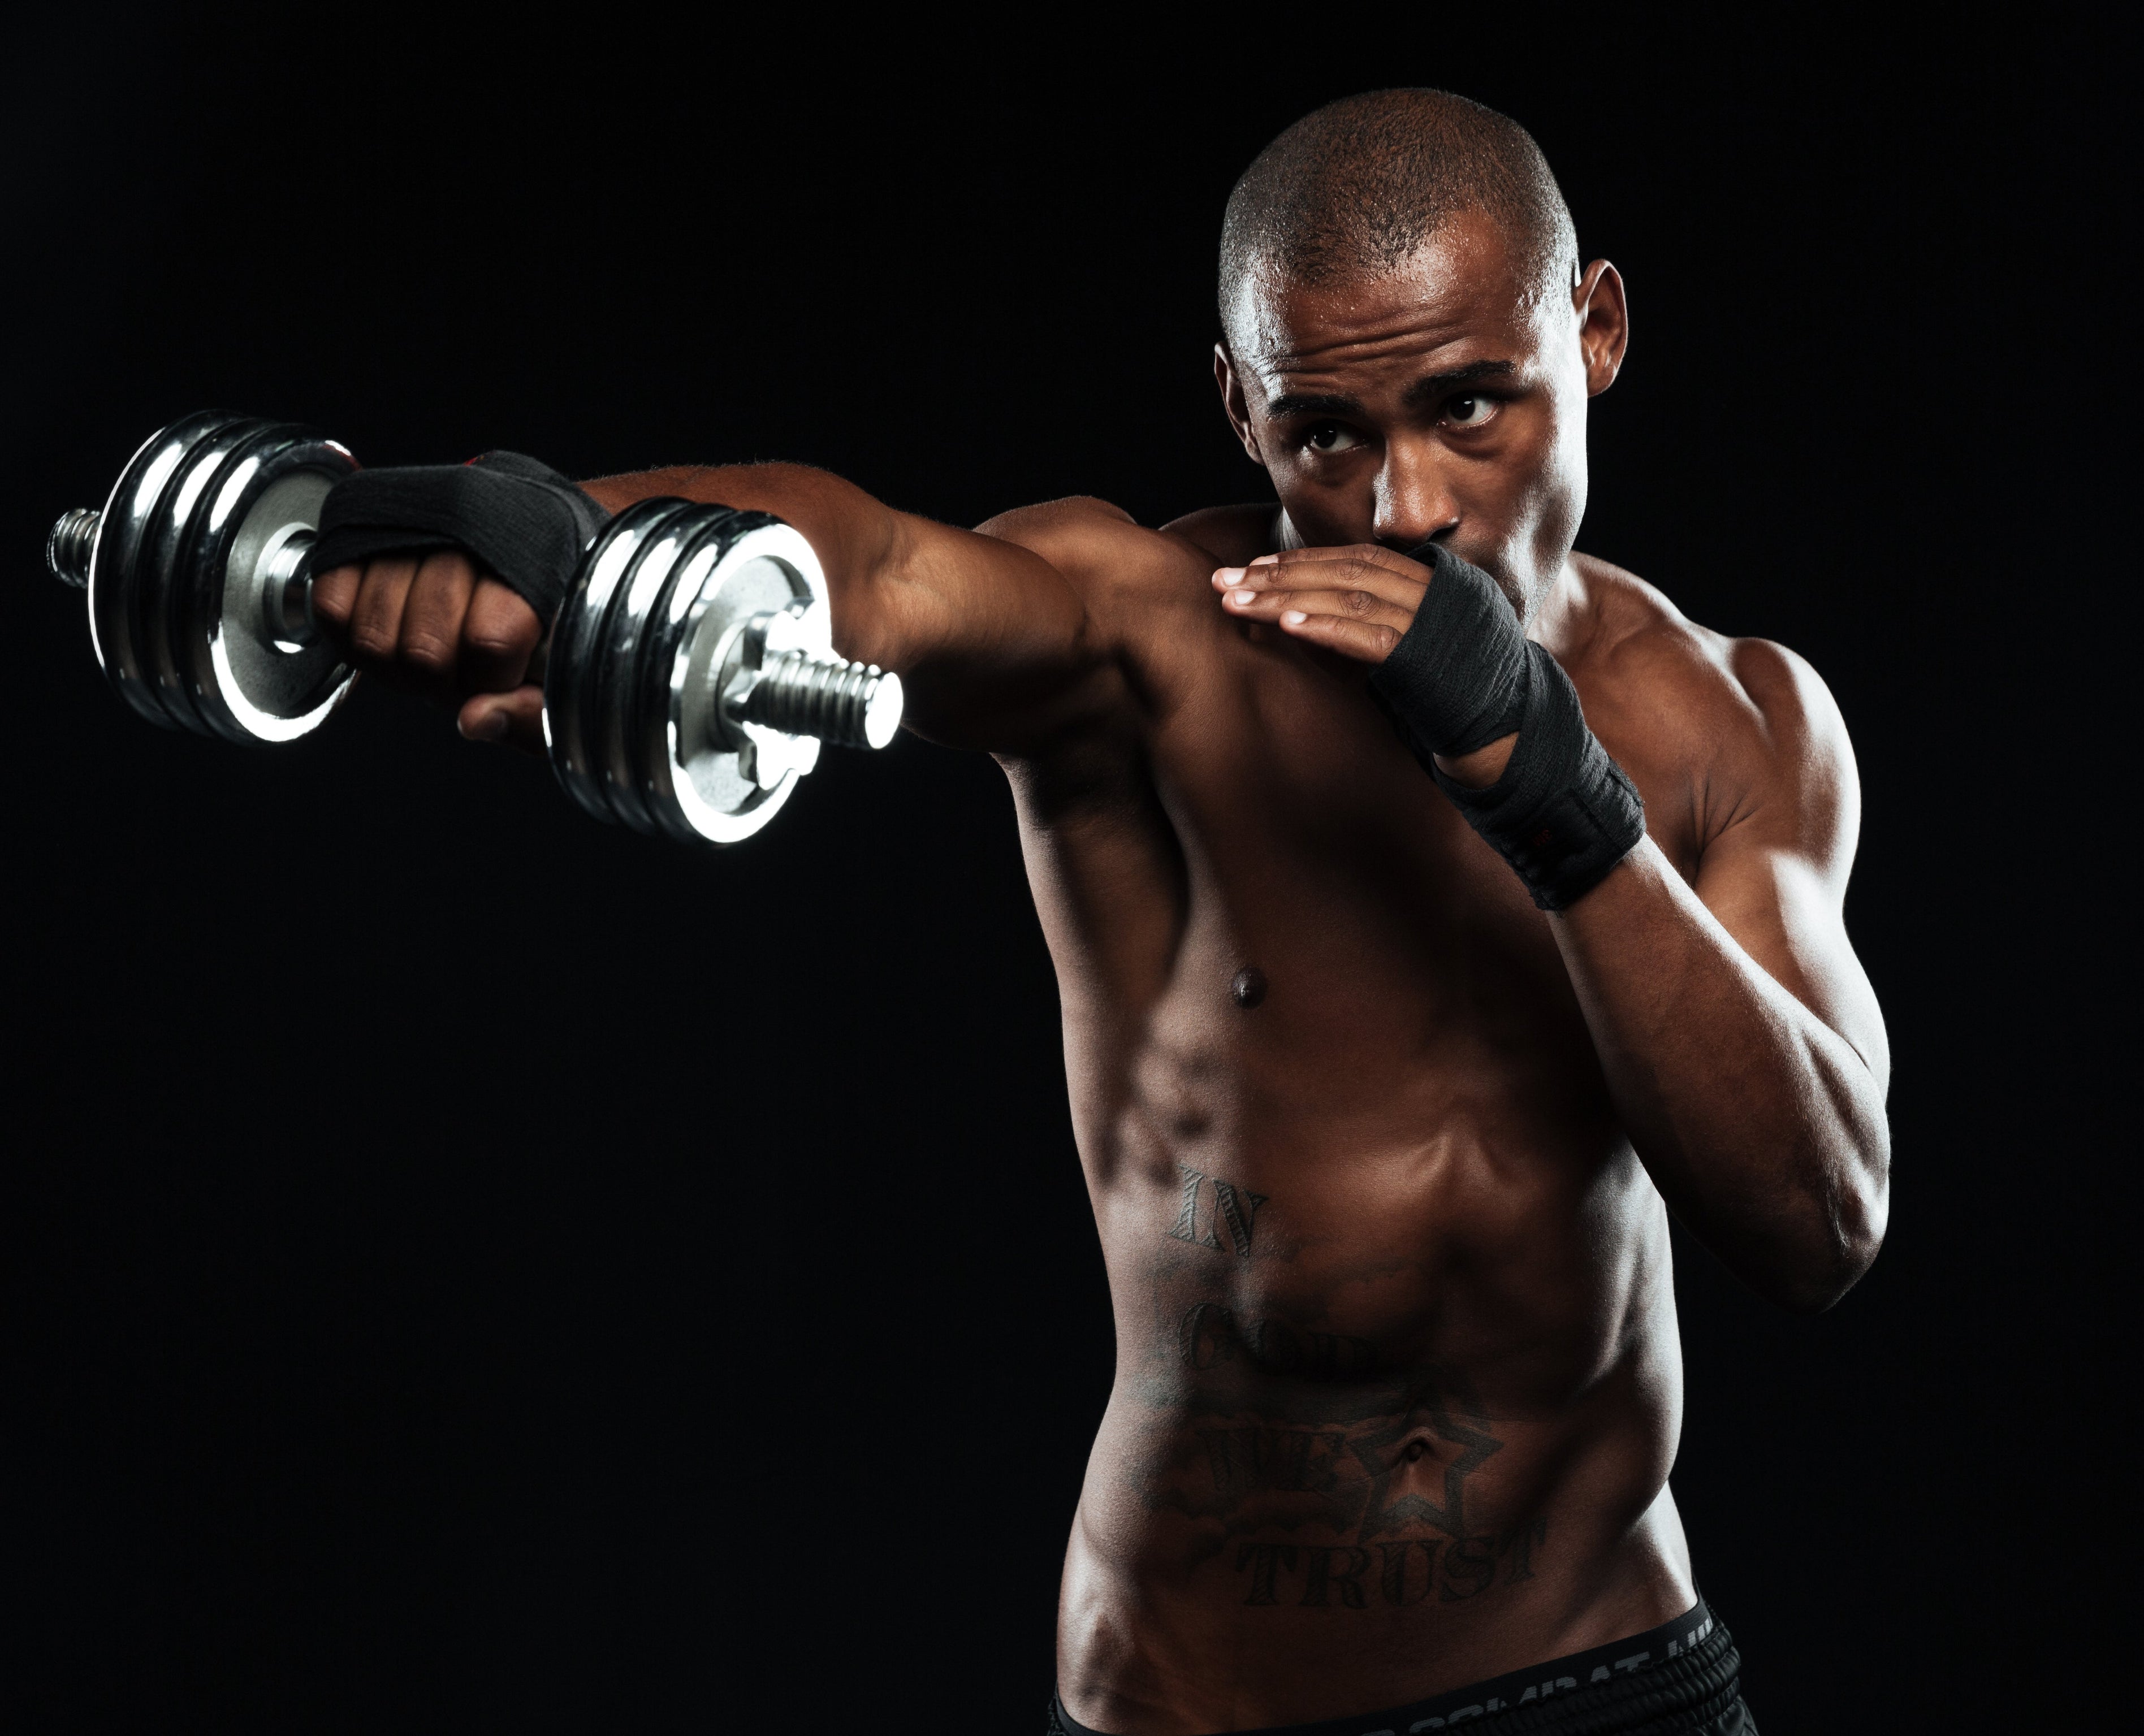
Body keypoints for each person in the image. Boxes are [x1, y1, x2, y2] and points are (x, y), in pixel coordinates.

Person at [308, 88, 1888, 1736]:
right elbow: (873, 560)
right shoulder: (1148, 643)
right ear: (1240, 407)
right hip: (1203, 1700)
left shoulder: (1738, 721)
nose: (1407, 507)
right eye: (1325, 436)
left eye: (1472, 406)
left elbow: (1820, 1220)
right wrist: (537, 539)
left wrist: (1556, 792)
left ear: (1598, 330)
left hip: (1607, 1680)